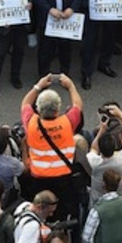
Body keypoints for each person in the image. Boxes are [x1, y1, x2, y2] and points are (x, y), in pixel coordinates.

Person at [21, 74, 82, 223]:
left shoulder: (32, 123)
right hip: (63, 180)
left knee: (40, 214)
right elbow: (77, 106)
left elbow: (25, 104)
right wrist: (70, 86)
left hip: (38, 180)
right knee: (61, 215)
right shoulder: (67, 122)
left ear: (38, 109)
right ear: (58, 108)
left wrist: (38, 86)